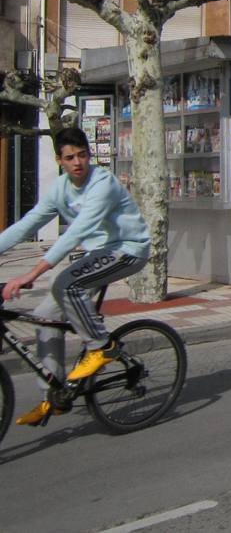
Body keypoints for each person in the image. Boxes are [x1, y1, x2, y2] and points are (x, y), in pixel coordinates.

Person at [0, 128, 151, 426]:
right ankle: (54, 396)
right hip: (97, 256)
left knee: (65, 283)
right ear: (60, 160)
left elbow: (78, 232)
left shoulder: (102, 183)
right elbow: (26, 226)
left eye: (82, 155)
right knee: (44, 319)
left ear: (89, 155)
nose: (78, 162)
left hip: (128, 249)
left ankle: (101, 346)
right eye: (70, 158)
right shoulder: (60, 189)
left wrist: (33, 273)